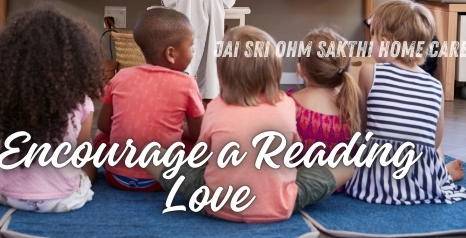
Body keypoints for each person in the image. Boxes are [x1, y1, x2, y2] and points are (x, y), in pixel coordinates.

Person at [146, 26, 353, 223]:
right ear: (274, 73)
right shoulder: (287, 104)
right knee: (347, 166)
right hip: (281, 203)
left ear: (222, 75)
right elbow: (294, 152)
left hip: (217, 204)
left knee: (151, 154)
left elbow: (202, 156)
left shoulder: (216, 106)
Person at [346, 0, 466, 204]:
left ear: (386, 43)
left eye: (373, 38)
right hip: (420, 184)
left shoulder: (370, 72)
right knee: (437, 152)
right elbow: (434, 142)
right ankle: (441, 173)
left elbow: (361, 126)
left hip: (374, 180)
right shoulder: (435, 86)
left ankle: (441, 172)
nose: (370, 43)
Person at [0, 5, 105, 213]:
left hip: (8, 196)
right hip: (64, 200)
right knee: (86, 170)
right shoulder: (82, 102)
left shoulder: (5, 99)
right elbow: (83, 153)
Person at [95, 7, 204, 192]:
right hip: (160, 180)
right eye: (191, 45)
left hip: (115, 177)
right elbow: (198, 134)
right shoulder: (186, 83)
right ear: (171, 53)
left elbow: (104, 125)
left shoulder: (120, 76)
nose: (193, 50)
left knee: (101, 139)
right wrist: (176, 132)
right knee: (199, 147)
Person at [288, 28, 360, 158]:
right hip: (344, 178)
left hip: (298, 178)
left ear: (300, 69)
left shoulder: (288, 106)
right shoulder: (351, 107)